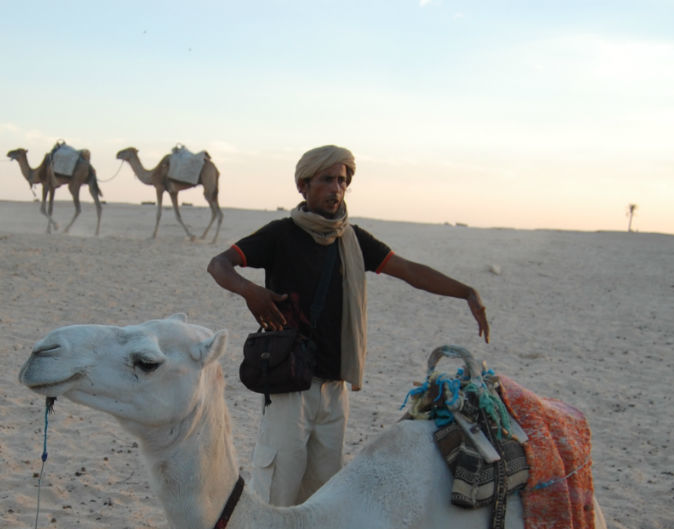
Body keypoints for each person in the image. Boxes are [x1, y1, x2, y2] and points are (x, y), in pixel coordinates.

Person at [207, 144, 490, 507]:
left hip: (335, 387)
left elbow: (408, 271)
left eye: (342, 180)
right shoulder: (280, 235)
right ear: (303, 186)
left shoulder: (353, 240)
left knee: (323, 499)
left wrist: (465, 291)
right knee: (277, 495)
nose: (336, 188)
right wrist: (251, 293)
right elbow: (219, 264)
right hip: (290, 385)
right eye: (327, 180)